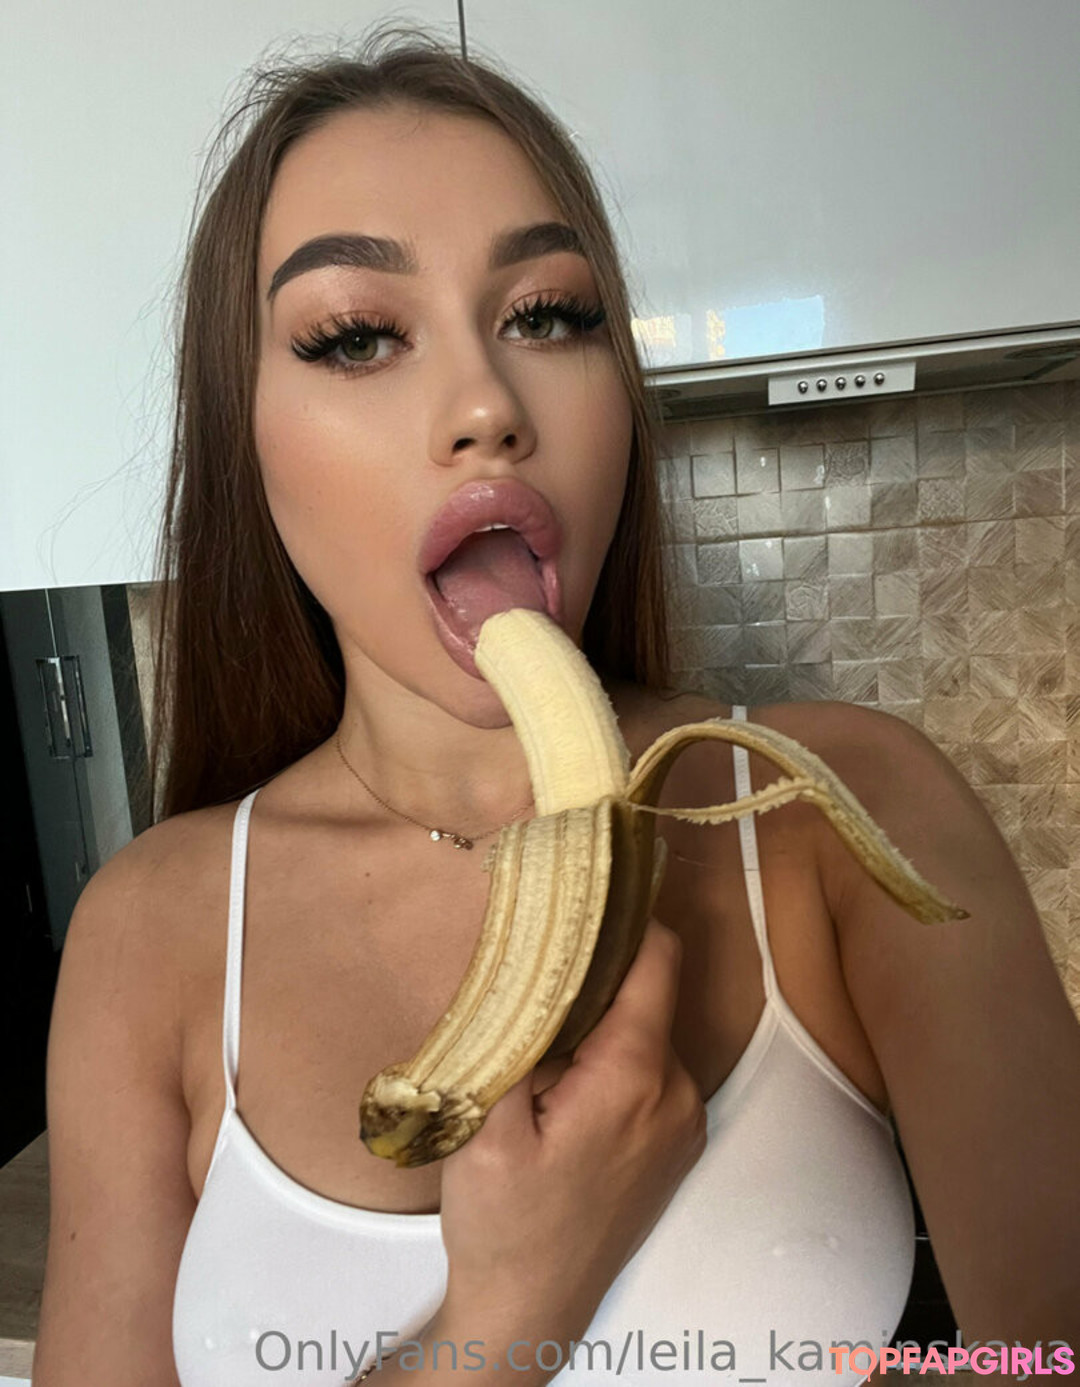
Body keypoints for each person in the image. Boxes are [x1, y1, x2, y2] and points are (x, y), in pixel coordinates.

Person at [33, 23, 1080, 1387]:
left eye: (548, 315)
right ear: (247, 440)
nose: (487, 403)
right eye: (356, 336)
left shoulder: (843, 811)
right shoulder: (151, 932)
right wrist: (514, 1302)